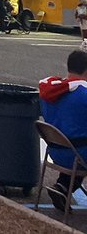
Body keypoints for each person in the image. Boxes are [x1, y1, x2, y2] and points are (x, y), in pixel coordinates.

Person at [39, 49, 87, 211]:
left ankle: (62, 187)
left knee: (75, 137)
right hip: (80, 155)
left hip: (57, 152)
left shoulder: (50, 91)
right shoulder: (83, 94)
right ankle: (63, 187)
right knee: (80, 143)